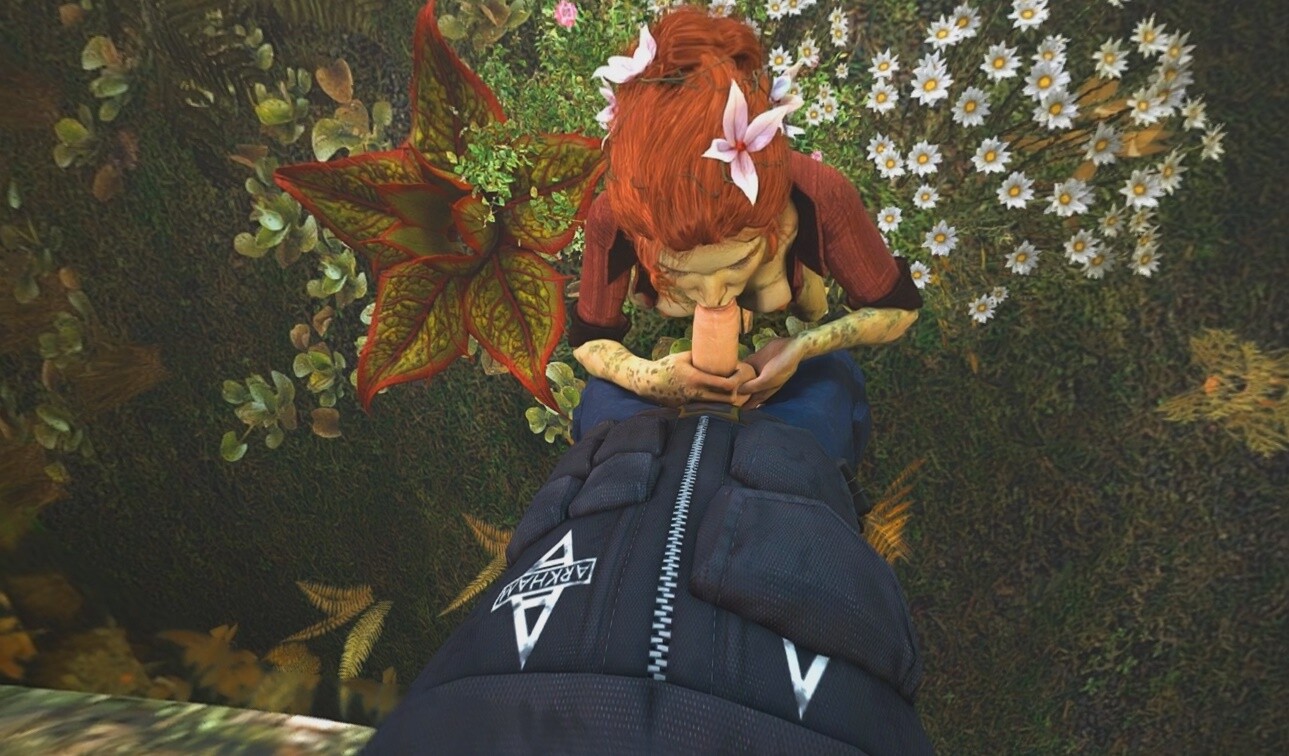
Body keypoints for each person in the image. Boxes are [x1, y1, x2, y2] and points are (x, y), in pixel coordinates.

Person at [360, 7, 935, 753]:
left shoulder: (818, 194)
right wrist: (653, 376)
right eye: (683, 279)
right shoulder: (612, 220)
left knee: (831, 389)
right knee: (612, 408)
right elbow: (592, 345)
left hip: (778, 358)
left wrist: (803, 347)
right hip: (671, 397)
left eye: (738, 265)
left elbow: (896, 310)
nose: (713, 298)